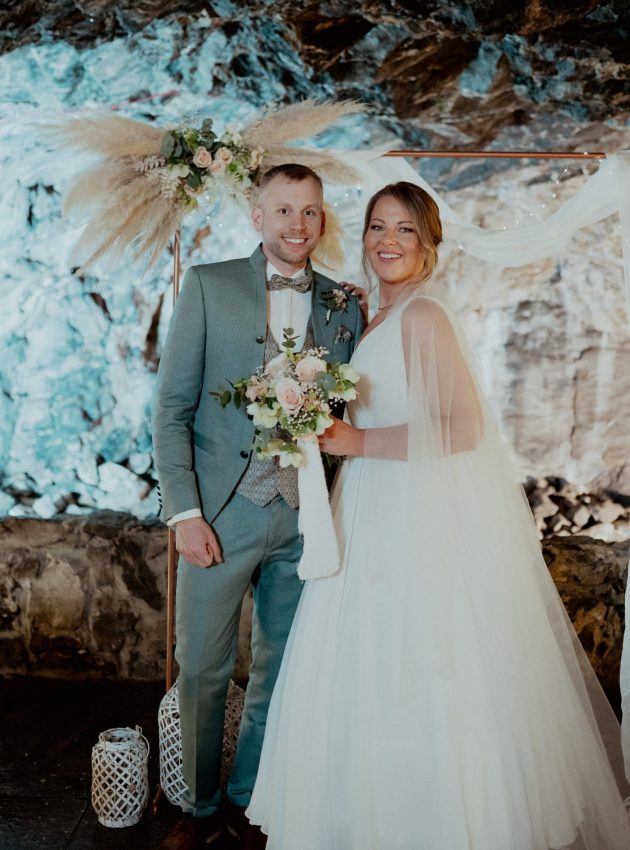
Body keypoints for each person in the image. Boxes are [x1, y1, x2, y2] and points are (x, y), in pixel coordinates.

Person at [246, 181, 630, 849]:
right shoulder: (374, 317)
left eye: (405, 230)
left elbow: (462, 428)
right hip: (367, 504)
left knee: (414, 663)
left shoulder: (425, 318)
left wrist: (357, 441)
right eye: (377, 226)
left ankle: (430, 822)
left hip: (409, 514)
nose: (388, 240)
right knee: (364, 663)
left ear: (428, 246)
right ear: (361, 236)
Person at [152, 163, 365, 850]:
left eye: (309, 212)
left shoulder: (342, 305)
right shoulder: (209, 286)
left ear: (322, 220)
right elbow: (171, 411)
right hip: (219, 515)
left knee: (282, 669)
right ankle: (200, 807)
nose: (296, 225)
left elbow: (351, 402)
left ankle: (250, 802)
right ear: (258, 216)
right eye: (283, 211)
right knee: (203, 671)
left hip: (304, 522)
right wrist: (185, 514)